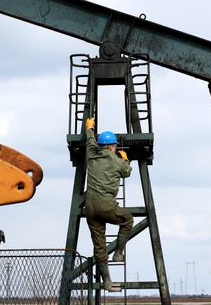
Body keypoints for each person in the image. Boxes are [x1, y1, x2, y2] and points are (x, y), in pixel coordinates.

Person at [84, 117, 133, 292]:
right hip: (106, 205)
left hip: (89, 207)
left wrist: (89, 128)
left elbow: (90, 140)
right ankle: (118, 253)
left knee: (99, 245)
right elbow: (127, 172)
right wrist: (125, 159)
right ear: (112, 147)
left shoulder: (91, 154)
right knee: (127, 220)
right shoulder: (117, 161)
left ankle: (107, 282)